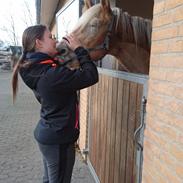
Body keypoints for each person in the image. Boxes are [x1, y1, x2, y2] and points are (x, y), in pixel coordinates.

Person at [12, 24, 106, 183]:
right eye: (50, 37)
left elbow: (56, 65)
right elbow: (91, 75)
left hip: (49, 135)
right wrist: (79, 49)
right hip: (59, 140)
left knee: (50, 179)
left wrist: (61, 49)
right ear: (38, 43)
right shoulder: (52, 75)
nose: (54, 40)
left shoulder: (33, 67)